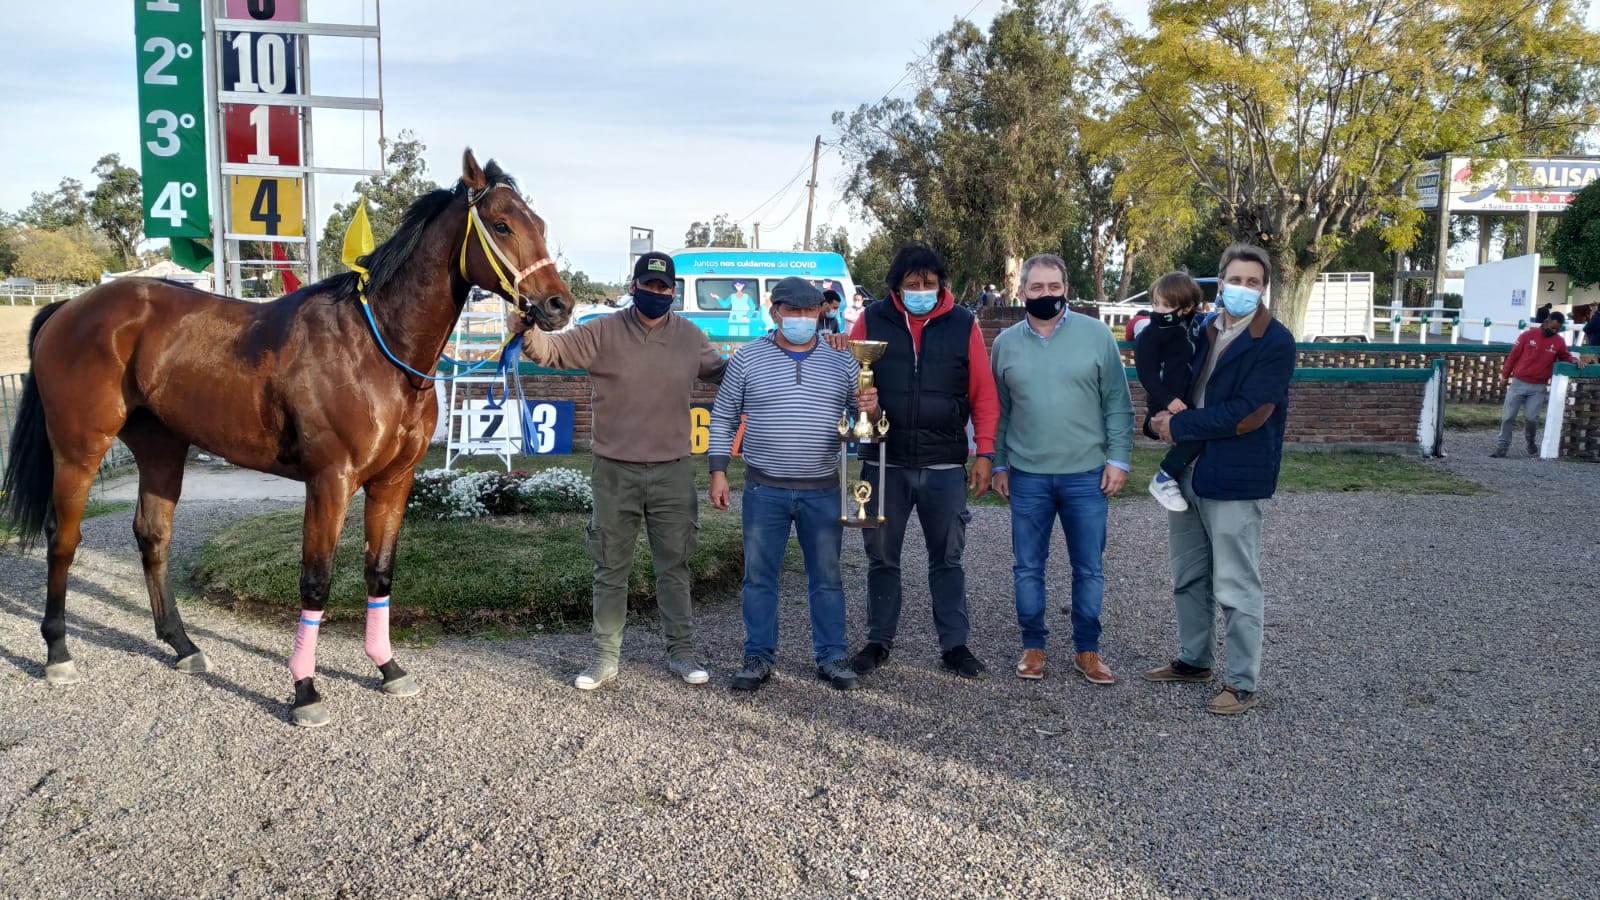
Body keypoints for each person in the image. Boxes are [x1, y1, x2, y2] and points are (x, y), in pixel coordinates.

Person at [510, 251, 726, 690]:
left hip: (673, 470)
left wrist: (789, 348)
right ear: (633, 287)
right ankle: (605, 658)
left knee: (676, 566)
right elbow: (552, 352)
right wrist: (528, 332)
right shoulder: (602, 331)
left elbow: (725, 371)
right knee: (610, 567)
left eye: (664, 287)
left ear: (673, 292)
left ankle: (681, 652)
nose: (656, 293)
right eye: (649, 285)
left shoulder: (690, 336)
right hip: (614, 470)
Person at [1147, 243, 1294, 716]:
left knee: (1235, 583)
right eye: (1237, 279)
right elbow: (1173, 383)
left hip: (1234, 474)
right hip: (1187, 470)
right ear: (1221, 280)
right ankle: (1195, 660)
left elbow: (1251, 413)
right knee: (1188, 576)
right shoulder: (1201, 328)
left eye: (1254, 282)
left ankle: (1242, 682)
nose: (1244, 288)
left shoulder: (1275, 341)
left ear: (1264, 288)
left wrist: (1181, 426)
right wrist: (1156, 419)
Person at [847, 244, 1000, 680]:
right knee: (881, 559)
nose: (920, 291)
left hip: (944, 465)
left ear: (941, 285)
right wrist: (865, 408)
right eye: (911, 284)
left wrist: (984, 453)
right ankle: (878, 642)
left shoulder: (963, 324)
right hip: (883, 463)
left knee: (948, 560)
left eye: (928, 284)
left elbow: (984, 395)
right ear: (897, 287)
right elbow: (850, 383)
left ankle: (954, 645)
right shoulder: (872, 320)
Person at [709, 278, 863, 692]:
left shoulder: (843, 360)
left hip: (823, 488)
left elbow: (859, 421)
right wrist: (718, 470)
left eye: (808, 311)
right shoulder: (748, 359)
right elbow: (723, 416)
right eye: (791, 311)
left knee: (827, 577)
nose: (800, 319)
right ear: (774, 311)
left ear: (821, 312)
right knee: (759, 577)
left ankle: (832, 656)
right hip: (765, 488)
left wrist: (869, 406)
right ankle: (758, 655)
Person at [990, 254, 1133, 684]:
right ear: (1022, 292)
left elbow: (1117, 404)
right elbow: (1000, 411)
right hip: (1028, 474)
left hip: (1087, 474)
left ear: (1066, 289)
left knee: (1088, 566)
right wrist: (998, 462)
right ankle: (1033, 646)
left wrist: (1119, 459)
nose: (1046, 295)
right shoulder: (1005, 344)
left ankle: (1087, 650)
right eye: (1037, 288)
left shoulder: (1096, 336)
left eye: (1054, 287)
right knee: (1027, 566)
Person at [1136, 273, 1204, 512]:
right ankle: (1164, 476)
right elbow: (1147, 374)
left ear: (1186, 308)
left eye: (1166, 305)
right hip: (1165, 400)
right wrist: (1168, 400)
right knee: (1198, 433)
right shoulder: (1150, 335)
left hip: (1185, 399)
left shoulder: (1195, 326)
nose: (1158, 310)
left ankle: (1170, 476)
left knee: (1201, 433)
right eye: (1155, 303)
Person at [1492, 311, 1584, 457]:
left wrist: (1573, 360)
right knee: (1508, 416)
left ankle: (1530, 442)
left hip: (1538, 386)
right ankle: (1502, 447)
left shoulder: (1559, 341)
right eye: (1553, 327)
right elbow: (1513, 357)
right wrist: (1504, 377)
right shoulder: (1527, 336)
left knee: (1531, 418)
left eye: (1557, 329)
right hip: (1519, 383)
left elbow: (1564, 356)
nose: (1554, 331)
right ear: (1546, 322)